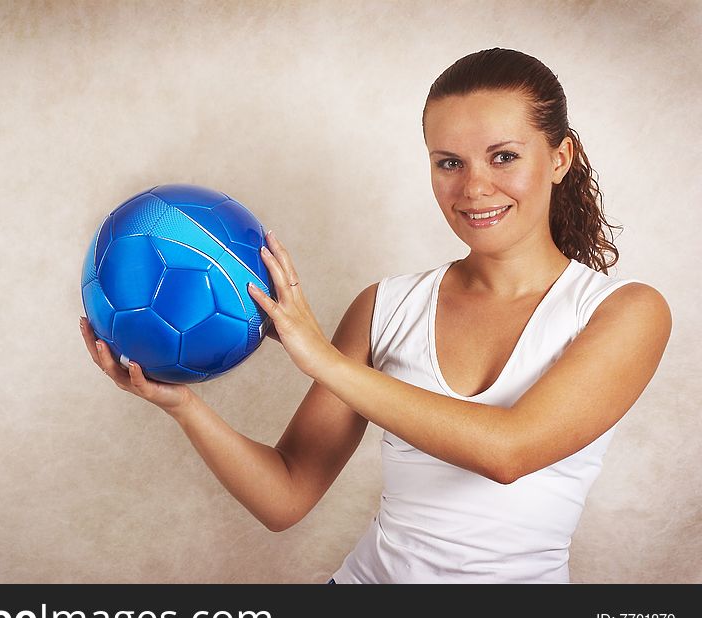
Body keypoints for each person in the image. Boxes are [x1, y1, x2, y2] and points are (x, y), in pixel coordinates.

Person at [79, 48, 672, 583]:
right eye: (449, 163)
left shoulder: (623, 312)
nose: (474, 187)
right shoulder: (386, 307)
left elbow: (508, 452)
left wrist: (324, 361)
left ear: (561, 156)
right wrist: (183, 405)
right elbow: (285, 497)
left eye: (503, 156)